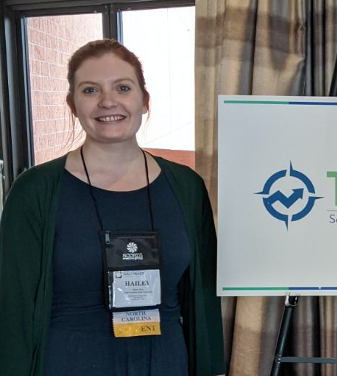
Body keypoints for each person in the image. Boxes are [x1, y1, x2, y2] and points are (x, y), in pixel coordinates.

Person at [0, 39, 225, 376]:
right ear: (72, 105)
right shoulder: (34, 190)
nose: (108, 101)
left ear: (144, 100)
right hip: (69, 360)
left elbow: (203, 296)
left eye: (122, 87)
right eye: (90, 90)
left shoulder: (186, 186)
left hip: (165, 361)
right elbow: (12, 308)